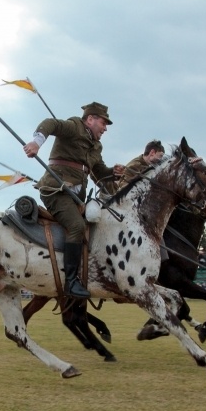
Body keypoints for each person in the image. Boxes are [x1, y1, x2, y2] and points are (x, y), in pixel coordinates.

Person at [23, 101, 125, 299]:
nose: (105, 128)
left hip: (77, 197)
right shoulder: (74, 126)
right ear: (90, 119)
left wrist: (113, 172)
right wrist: (36, 143)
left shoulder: (96, 146)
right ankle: (71, 281)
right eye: (103, 123)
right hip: (56, 190)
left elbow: (99, 171)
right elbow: (50, 123)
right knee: (77, 226)